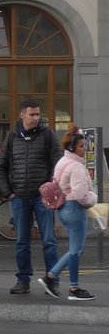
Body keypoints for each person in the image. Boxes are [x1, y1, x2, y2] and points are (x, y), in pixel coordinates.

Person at [0, 100, 62, 295]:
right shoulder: (12, 138)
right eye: (32, 114)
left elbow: (58, 163)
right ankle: (23, 280)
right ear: (22, 115)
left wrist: (50, 187)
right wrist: (8, 193)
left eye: (38, 114)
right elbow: (1, 167)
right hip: (20, 197)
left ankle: (52, 280)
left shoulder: (48, 135)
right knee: (22, 242)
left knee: (49, 241)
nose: (36, 118)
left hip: (42, 198)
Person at [39, 125, 97, 301]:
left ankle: (54, 279)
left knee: (75, 249)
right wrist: (93, 198)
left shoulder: (62, 162)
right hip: (75, 208)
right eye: (81, 146)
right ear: (72, 147)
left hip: (63, 208)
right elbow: (81, 195)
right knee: (76, 250)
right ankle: (71, 287)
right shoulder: (77, 167)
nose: (84, 149)